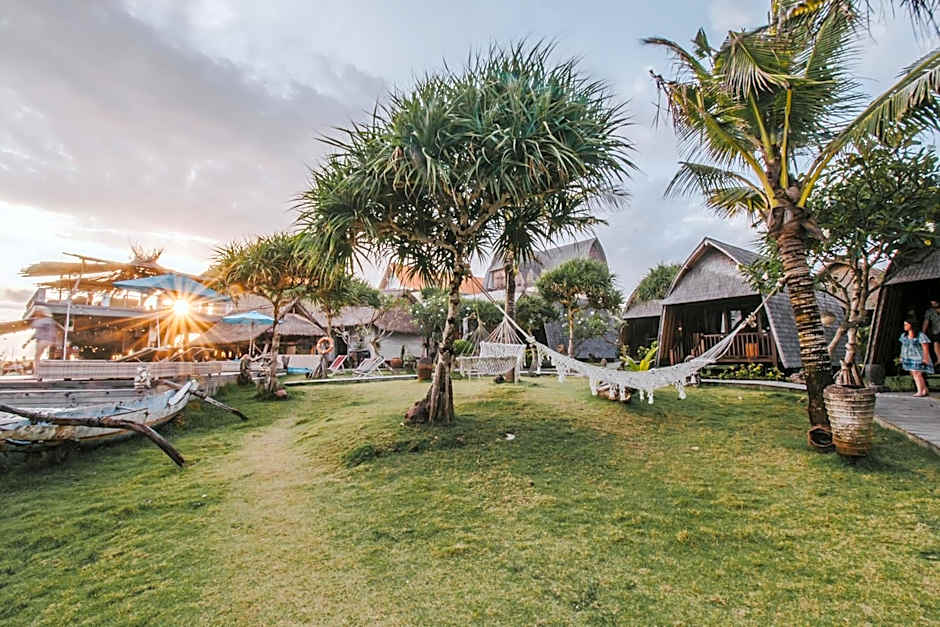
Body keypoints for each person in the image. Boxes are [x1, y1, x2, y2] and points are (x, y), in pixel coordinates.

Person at [23, 306, 62, 379]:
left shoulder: (42, 320)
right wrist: (55, 341)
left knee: (37, 357)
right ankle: (43, 372)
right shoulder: (49, 320)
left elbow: (33, 326)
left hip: (43, 340)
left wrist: (33, 317)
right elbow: (53, 331)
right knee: (43, 356)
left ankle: (37, 373)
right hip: (48, 340)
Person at [900, 319, 933, 397]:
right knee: (914, 374)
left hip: (918, 357)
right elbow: (903, 347)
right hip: (908, 356)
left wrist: (925, 358)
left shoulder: (920, 335)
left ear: (911, 325)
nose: (905, 326)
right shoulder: (904, 336)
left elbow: (925, 347)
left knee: (917, 374)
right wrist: (901, 356)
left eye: (906, 324)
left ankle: (920, 391)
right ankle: (924, 389)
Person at [922, 299, 940, 366]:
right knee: (936, 343)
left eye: (935, 303)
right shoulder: (929, 311)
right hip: (936, 330)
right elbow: (926, 322)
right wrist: (923, 331)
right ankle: (939, 359)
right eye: (932, 303)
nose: (933, 304)